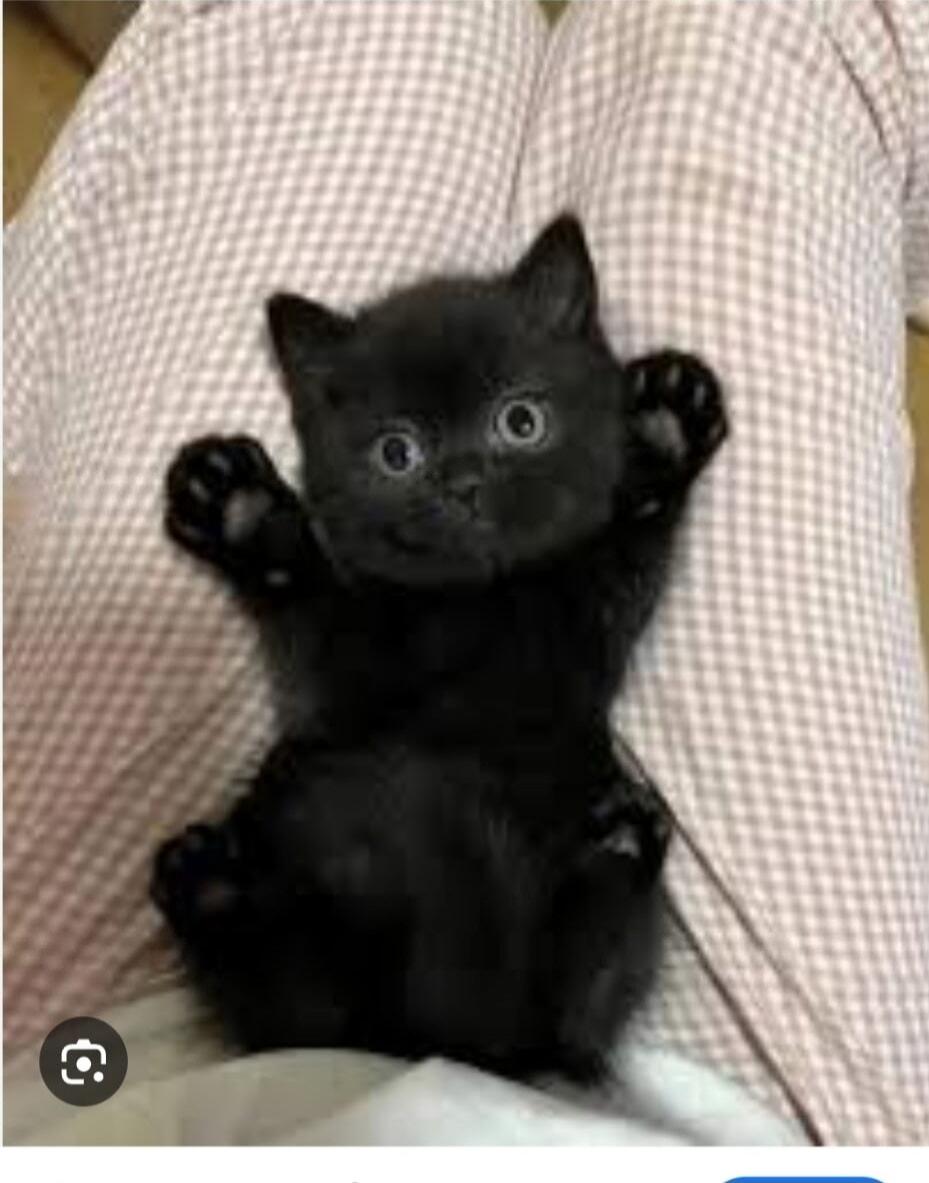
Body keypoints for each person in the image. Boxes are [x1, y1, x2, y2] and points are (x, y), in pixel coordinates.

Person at [5, 0, 928, 1144]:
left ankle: (248, 912)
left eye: (514, 423)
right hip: (706, 1113)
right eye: (397, 453)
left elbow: (347, 683)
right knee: (760, 22)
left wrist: (283, 562)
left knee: (334, 19)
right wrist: (643, 493)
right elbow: (581, 633)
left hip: (98, 1092)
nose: (455, 483)